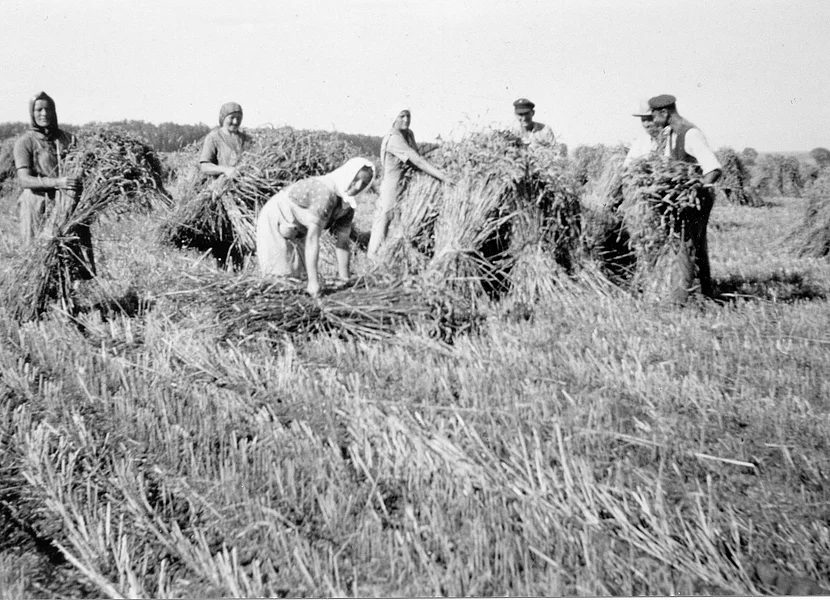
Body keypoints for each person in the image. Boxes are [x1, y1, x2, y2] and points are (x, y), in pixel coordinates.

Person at [257, 157, 375, 297]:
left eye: (364, 184)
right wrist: (314, 282)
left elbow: (342, 243)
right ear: (348, 173)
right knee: (280, 278)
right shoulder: (326, 193)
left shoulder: (347, 206)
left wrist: (345, 280)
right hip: (277, 217)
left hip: (299, 228)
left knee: (298, 278)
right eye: (356, 179)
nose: (357, 187)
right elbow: (313, 238)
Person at [648, 94, 722, 304]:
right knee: (694, 246)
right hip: (681, 200)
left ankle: (680, 300)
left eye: (654, 115)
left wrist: (695, 190)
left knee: (685, 245)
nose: (653, 121)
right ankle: (704, 294)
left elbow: (713, 168)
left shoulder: (690, 134)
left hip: (694, 199)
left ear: (664, 112)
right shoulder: (670, 133)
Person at [14, 91, 95, 278]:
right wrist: (58, 182)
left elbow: (83, 167)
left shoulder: (68, 139)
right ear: (32, 114)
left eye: (48, 109)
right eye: (39, 110)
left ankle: (70, 298)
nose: (44, 114)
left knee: (71, 255)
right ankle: (41, 300)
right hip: (37, 205)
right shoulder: (25, 142)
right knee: (40, 256)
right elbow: (24, 179)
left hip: (67, 204)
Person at [366, 108, 453, 258]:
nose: (406, 120)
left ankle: (396, 255)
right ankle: (372, 257)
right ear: (393, 118)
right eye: (402, 116)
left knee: (402, 223)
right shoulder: (393, 139)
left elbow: (417, 155)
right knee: (383, 222)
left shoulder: (408, 134)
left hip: (406, 185)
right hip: (391, 187)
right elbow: (417, 160)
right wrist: (443, 177)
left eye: (408, 116)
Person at [199, 102, 251, 179]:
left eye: (239, 118)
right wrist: (225, 170)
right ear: (223, 118)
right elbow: (205, 166)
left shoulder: (247, 139)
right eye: (232, 117)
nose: (235, 122)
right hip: (222, 186)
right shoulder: (213, 137)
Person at [623, 99, 661, 167]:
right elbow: (627, 164)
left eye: (650, 119)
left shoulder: (669, 138)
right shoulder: (641, 141)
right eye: (643, 120)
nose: (646, 124)